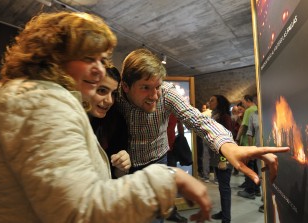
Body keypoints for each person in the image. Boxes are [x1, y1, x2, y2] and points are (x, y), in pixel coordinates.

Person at [0, 11, 212, 223]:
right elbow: (80, 210)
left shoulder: (38, 97)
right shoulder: (42, 102)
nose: (99, 71)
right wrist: (167, 178)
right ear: (53, 58)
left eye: (101, 60)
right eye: (89, 58)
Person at [114, 48, 289, 219]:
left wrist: (228, 146)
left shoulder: (166, 93)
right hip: (122, 162)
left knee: (155, 213)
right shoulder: (114, 95)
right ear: (126, 87)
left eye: (157, 86)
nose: (154, 95)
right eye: (145, 87)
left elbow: (196, 118)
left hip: (157, 158)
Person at [88, 66, 131, 178]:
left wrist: (122, 164)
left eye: (114, 93)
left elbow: (117, 175)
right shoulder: (71, 119)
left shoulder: (117, 121)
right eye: (102, 91)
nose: (109, 100)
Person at [208, 95, 235, 223]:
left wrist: (223, 160)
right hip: (217, 156)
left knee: (224, 188)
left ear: (219, 103)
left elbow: (228, 139)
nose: (209, 102)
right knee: (222, 187)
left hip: (223, 158)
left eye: (212, 100)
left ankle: (226, 219)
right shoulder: (216, 116)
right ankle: (224, 212)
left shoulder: (225, 118)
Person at [237, 94, 260, 199]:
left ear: (247, 100)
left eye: (243, 102)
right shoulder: (255, 110)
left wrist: (237, 139)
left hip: (248, 143)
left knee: (249, 167)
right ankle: (256, 189)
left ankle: (250, 190)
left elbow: (243, 127)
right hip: (257, 144)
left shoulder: (249, 111)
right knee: (255, 167)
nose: (243, 104)